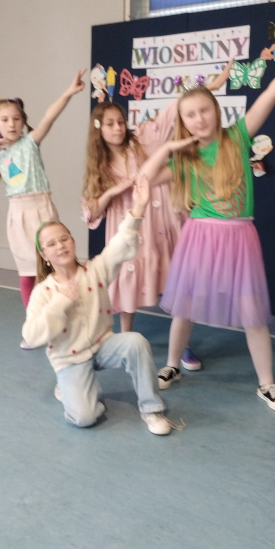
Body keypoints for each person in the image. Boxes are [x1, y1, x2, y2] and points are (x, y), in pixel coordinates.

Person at [138, 26, 275, 413]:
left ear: (215, 110)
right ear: (183, 121)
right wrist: (167, 147)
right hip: (200, 237)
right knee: (185, 306)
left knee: (252, 312)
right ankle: (172, 364)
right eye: (190, 115)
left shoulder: (238, 136)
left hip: (238, 237)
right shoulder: (184, 158)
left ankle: (267, 383)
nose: (199, 119)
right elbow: (144, 179)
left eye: (204, 110)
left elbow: (272, 92)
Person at [81, 65, 232, 373]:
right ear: (99, 129)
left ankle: (182, 346)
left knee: (179, 281)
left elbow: (176, 108)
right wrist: (114, 191)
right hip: (131, 229)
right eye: (109, 124)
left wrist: (213, 85)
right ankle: (125, 343)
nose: (118, 128)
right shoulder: (98, 166)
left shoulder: (142, 139)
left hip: (165, 221)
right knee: (126, 282)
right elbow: (91, 210)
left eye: (120, 121)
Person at [22, 174, 178, 435]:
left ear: (73, 241)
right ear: (44, 254)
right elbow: (31, 335)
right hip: (69, 359)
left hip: (103, 346)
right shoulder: (43, 292)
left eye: (64, 238)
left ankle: (151, 409)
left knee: (136, 342)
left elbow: (119, 245)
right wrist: (61, 302)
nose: (60, 246)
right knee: (84, 418)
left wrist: (139, 207)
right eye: (51, 244)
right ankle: (70, 386)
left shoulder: (94, 270)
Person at [0, 70, 86, 345]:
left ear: (23, 122)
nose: (12, 124)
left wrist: (68, 92)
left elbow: (50, 116)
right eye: (5, 119)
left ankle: (66, 320)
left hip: (42, 210)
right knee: (28, 272)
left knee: (54, 267)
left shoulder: (30, 143)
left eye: (17, 118)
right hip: (18, 214)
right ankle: (35, 327)